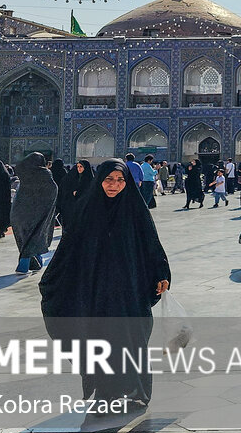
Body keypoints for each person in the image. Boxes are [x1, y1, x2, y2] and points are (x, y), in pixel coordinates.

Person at [39, 160, 170, 409]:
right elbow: (68, 248)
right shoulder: (86, 210)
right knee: (100, 341)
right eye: (109, 180)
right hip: (96, 291)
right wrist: (53, 279)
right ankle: (106, 395)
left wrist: (161, 273)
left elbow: (151, 243)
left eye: (120, 180)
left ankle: (134, 392)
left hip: (130, 291)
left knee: (131, 340)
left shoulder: (134, 209)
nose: (115, 185)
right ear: (99, 180)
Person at [10, 152, 57, 274]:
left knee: (25, 237)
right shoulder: (44, 174)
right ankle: (24, 264)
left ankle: (35, 263)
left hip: (20, 212)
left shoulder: (24, 174)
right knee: (36, 236)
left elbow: (19, 166)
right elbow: (53, 190)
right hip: (37, 212)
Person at [57, 160, 94, 231]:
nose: (79, 169)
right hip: (72, 207)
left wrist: (78, 193)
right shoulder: (73, 177)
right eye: (78, 167)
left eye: (81, 167)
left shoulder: (89, 179)